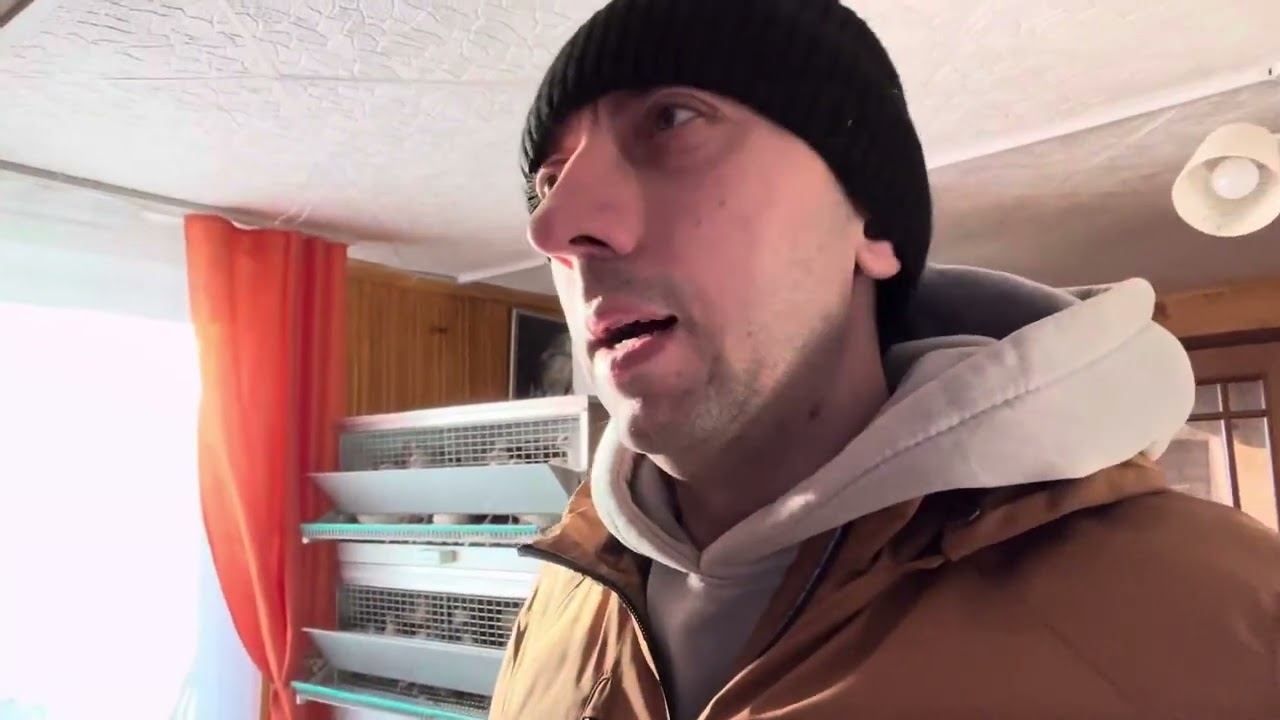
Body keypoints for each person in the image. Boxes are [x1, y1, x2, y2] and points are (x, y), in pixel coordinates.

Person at [491, 1, 1280, 717]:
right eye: (548, 182)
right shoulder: (561, 599)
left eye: (671, 120)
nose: (553, 228)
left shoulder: (1227, 625)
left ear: (870, 224)